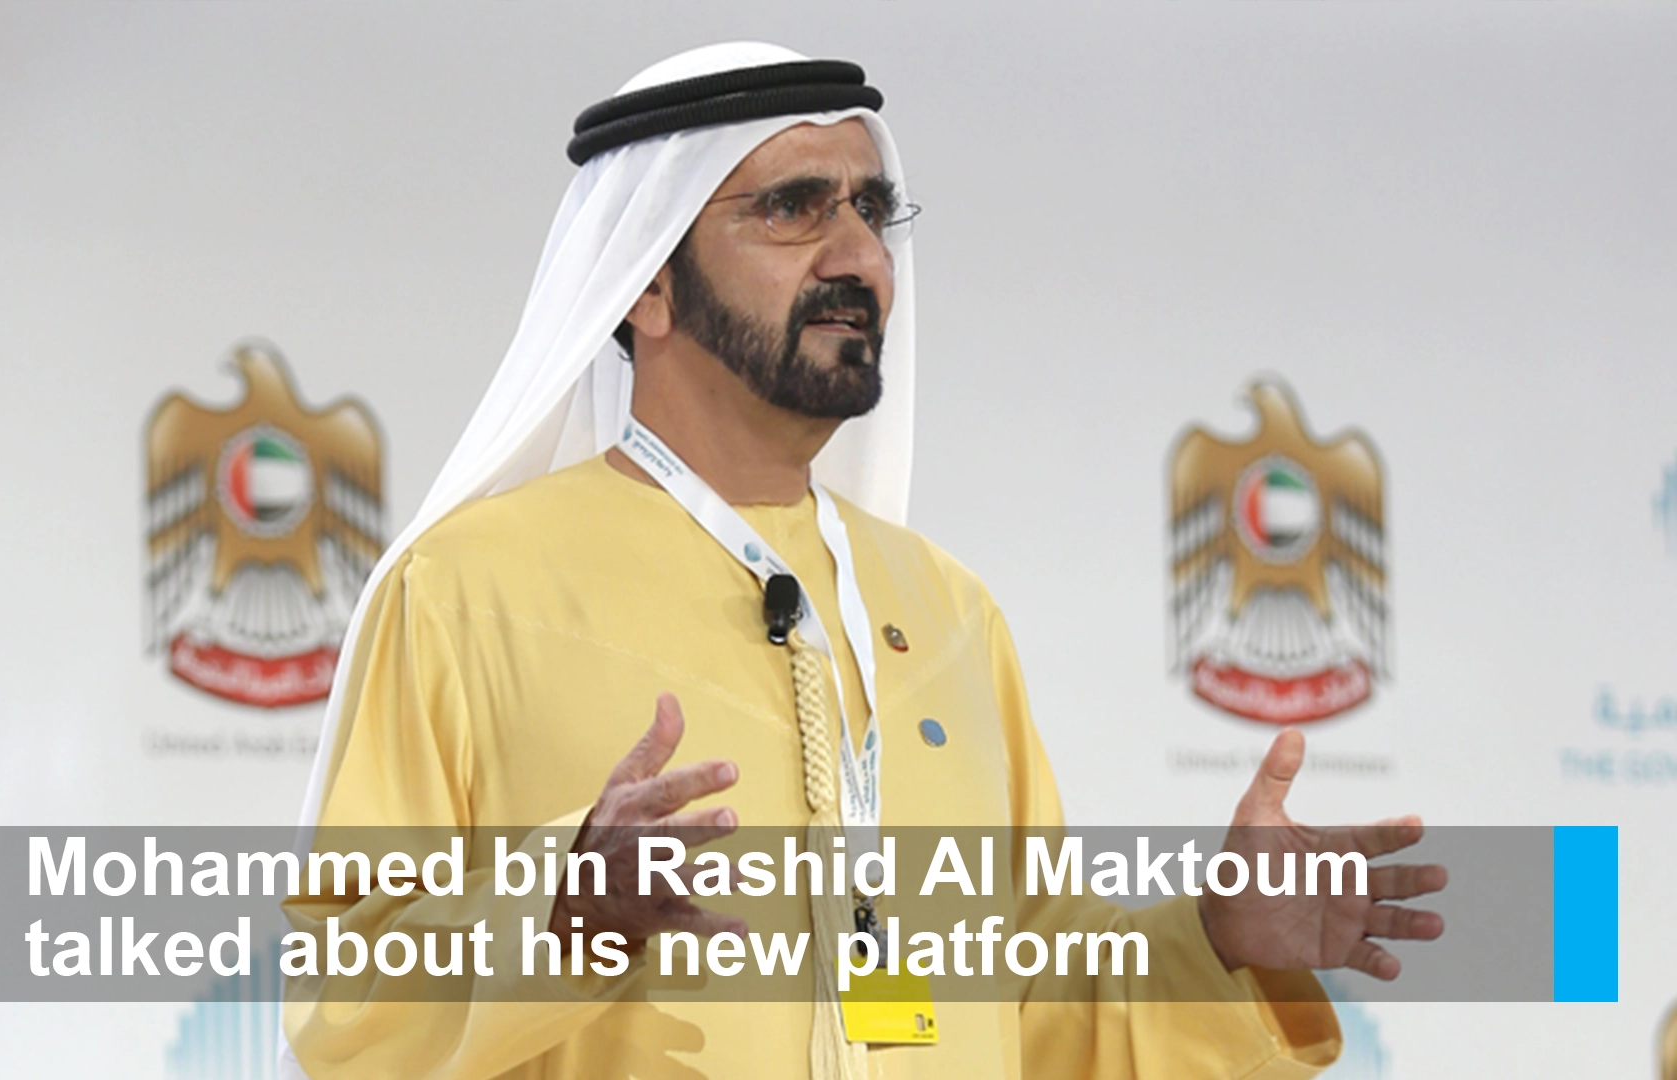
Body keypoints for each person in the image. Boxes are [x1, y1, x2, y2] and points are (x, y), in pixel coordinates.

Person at [283, 42, 1445, 1080]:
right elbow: (341, 1011)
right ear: (645, 284)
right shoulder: (466, 592)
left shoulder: (943, 609)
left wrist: (1219, 945)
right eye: (794, 208)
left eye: (873, 211)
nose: (861, 258)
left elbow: (1034, 1014)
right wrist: (561, 912)